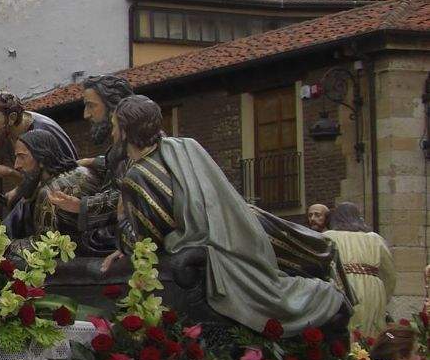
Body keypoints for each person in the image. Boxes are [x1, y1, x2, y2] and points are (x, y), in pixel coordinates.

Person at [108, 95, 345, 334]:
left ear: (126, 132)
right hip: (243, 226)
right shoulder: (183, 147)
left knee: (289, 278)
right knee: (315, 250)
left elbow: (148, 243)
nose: (112, 134)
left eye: (115, 127)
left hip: (218, 246)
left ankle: (324, 297)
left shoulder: (137, 177)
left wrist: (122, 221)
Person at [47, 74, 134, 255]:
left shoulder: (134, 143)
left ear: (114, 107)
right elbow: (116, 165)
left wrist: (82, 206)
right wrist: (93, 161)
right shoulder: (123, 143)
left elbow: (130, 195)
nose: (86, 114)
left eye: (91, 105)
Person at [0, 90, 77, 236]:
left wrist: (8, 173)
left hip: (60, 203)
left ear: (12, 117)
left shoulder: (41, 133)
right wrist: (17, 190)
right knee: (0, 235)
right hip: (38, 198)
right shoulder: (11, 132)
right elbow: (30, 178)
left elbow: (52, 180)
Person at [6, 128, 99, 248]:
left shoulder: (49, 193)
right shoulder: (84, 171)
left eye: (22, 157)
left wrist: (4, 246)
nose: (16, 165)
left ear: (42, 157)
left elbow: (44, 247)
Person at [323, 201, 395, 337]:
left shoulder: (328, 237)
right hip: (373, 290)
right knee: (371, 333)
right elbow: (389, 274)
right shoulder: (375, 239)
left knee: (346, 332)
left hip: (342, 287)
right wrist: (384, 297)